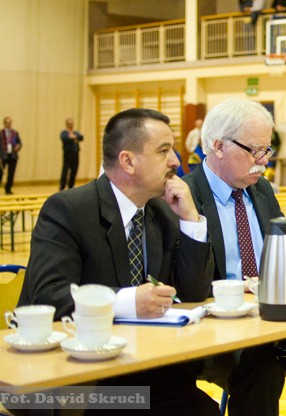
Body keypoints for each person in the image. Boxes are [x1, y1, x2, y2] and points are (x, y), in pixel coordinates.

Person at [18, 108, 219, 415]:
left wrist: (191, 220)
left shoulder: (162, 214)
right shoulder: (68, 210)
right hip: (71, 380)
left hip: (141, 368)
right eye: (163, 151)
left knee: (202, 410)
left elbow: (192, 294)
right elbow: (50, 297)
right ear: (128, 161)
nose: (175, 162)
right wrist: (129, 301)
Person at [183, 98, 286, 416]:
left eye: (266, 150)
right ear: (218, 146)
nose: (263, 161)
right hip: (216, 327)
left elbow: (283, 250)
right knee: (263, 365)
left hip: (272, 317)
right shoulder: (184, 197)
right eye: (254, 150)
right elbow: (183, 283)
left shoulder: (262, 190)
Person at [59, 117, 84, 191]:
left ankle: (71, 187)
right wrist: (73, 138)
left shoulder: (75, 132)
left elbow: (81, 137)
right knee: (65, 171)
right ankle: (62, 187)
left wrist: (74, 136)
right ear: (67, 124)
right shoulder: (64, 133)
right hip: (67, 155)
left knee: (74, 171)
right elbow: (64, 138)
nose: (71, 125)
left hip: (75, 155)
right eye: (69, 124)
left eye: (72, 124)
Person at [1, 116, 22, 195]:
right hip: (3, 156)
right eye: (7, 122)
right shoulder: (1, 133)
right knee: (0, 173)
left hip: (13, 156)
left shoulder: (15, 133)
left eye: (10, 122)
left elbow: (19, 143)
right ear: (4, 123)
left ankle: (8, 189)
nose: (9, 124)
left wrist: (18, 146)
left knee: (11, 174)